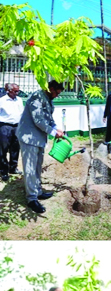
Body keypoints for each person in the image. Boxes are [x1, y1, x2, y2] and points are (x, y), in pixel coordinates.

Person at [16, 80, 65, 213]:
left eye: (59, 94)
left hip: (39, 138)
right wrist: (54, 132)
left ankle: (37, 191)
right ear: (49, 88)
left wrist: (55, 127)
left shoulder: (48, 98)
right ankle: (31, 198)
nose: (56, 95)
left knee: (37, 166)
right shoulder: (36, 97)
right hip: (29, 138)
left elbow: (48, 118)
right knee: (30, 168)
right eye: (56, 92)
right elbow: (38, 120)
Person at [0, 83, 23, 181]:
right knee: (3, 149)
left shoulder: (19, 100)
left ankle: (13, 168)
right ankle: (3, 171)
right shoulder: (2, 101)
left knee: (15, 148)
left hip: (17, 126)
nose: (17, 93)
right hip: (5, 126)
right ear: (8, 91)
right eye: (15, 91)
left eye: (18, 91)